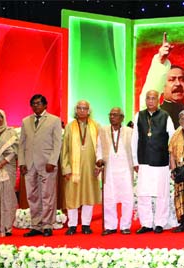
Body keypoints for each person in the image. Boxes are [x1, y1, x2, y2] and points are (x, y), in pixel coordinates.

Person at [132, 90, 175, 234]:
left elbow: (172, 139)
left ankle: (160, 223)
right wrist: (135, 161)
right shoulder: (139, 116)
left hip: (161, 161)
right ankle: (146, 223)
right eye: (148, 98)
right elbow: (134, 140)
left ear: (158, 100)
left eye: (153, 98)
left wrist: (171, 160)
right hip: (144, 160)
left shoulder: (165, 116)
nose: (150, 101)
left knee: (161, 193)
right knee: (144, 194)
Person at [19, 94, 62, 237]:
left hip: (47, 163)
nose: (36, 106)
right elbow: (22, 144)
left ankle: (48, 225)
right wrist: (22, 163)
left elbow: (57, 143)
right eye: (33, 104)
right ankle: (36, 225)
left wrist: (52, 161)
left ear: (45, 105)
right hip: (29, 163)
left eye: (38, 103)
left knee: (47, 195)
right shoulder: (26, 121)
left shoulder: (54, 120)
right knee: (32, 196)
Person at [61, 101, 101, 235]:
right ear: (76, 110)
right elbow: (64, 150)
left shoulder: (96, 126)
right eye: (79, 108)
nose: (82, 110)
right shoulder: (69, 126)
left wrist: (99, 166)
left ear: (89, 111)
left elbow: (100, 148)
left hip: (91, 168)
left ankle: (85, 225)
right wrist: (66, 168)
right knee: (72, 196)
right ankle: (72, 225)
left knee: (88, 196)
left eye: (85, 108)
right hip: (73, 169)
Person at [140, 33, 184, 127]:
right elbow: (150, 93)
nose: (178, 84)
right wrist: (161, 61)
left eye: (182, 80)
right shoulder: (156, 113)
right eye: (172, 80)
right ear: (162, 87)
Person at [96, 107, 134, 235]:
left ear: (122, 118)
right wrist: (99, 159)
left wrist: (136, 164)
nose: (112, 117)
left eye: (115, 115)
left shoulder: (129, 131)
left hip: (125, 169)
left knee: (127, 198)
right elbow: (99, 147)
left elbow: (134, 148)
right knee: (109, 198)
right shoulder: (103, 130)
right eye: (111, 114)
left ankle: (125, 226)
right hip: (110, 169)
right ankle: (110, 226)